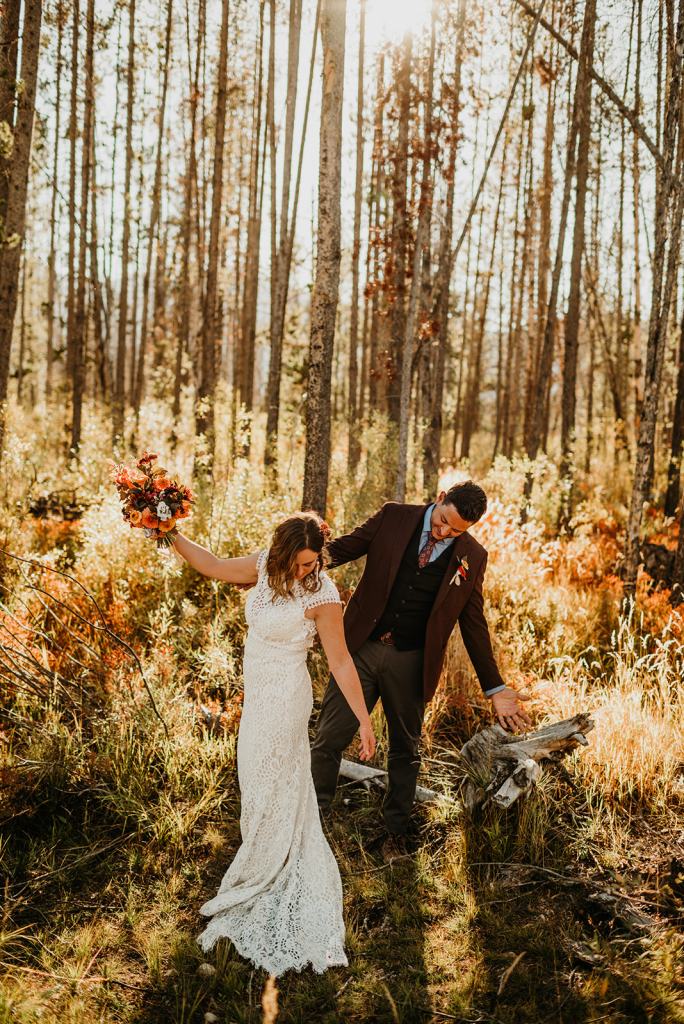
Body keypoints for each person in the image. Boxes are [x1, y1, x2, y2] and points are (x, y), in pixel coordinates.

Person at [171, 511, 376, 976]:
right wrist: (171, 532)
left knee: (274, 777)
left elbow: (341, 663)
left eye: (312, 563)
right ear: (282, 554)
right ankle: (262, 845)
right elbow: (213, 564)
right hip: (258, 695)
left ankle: (268, 862)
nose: (306, 571)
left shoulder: (323, 595)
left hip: (286, 697)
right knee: (256, 778)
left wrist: (363, 720)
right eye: (300, 564)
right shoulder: (263, 567)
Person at [310, 480, 532, 860]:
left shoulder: (473, 556)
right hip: (360, 649)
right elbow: (342, 549)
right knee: (331, 735)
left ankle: (395, 832)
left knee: (405, 749)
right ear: (440, 498)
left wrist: (495, 689)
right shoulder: (394, 516)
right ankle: (313, 819)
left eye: (456, 531)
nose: (444, 532)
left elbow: (473, 623)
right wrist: (286, 565)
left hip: (413, 662)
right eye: (444, 521)